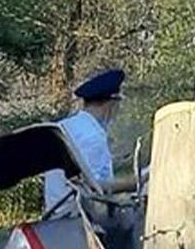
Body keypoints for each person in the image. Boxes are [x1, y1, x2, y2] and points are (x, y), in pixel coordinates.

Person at [43, 68, 131, 213]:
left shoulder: (66, 125)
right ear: (111, 104)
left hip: (56, 211)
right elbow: (96, 189)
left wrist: (117, 160)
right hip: (78, 219)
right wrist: (134, 182)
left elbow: (79, 170)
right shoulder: (93, 136)